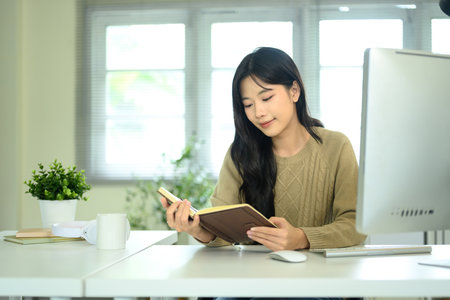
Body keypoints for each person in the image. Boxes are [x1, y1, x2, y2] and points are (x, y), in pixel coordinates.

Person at [161, 47, 366, 251]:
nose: (258, 112)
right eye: (248, 105)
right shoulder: (240, 154)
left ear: (294, 91)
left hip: (321, 277)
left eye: (266, 98)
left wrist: (302, 238)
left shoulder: (336, 147)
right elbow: (222, 234)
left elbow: (355, 226)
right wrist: (195, 229)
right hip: (255, 277)